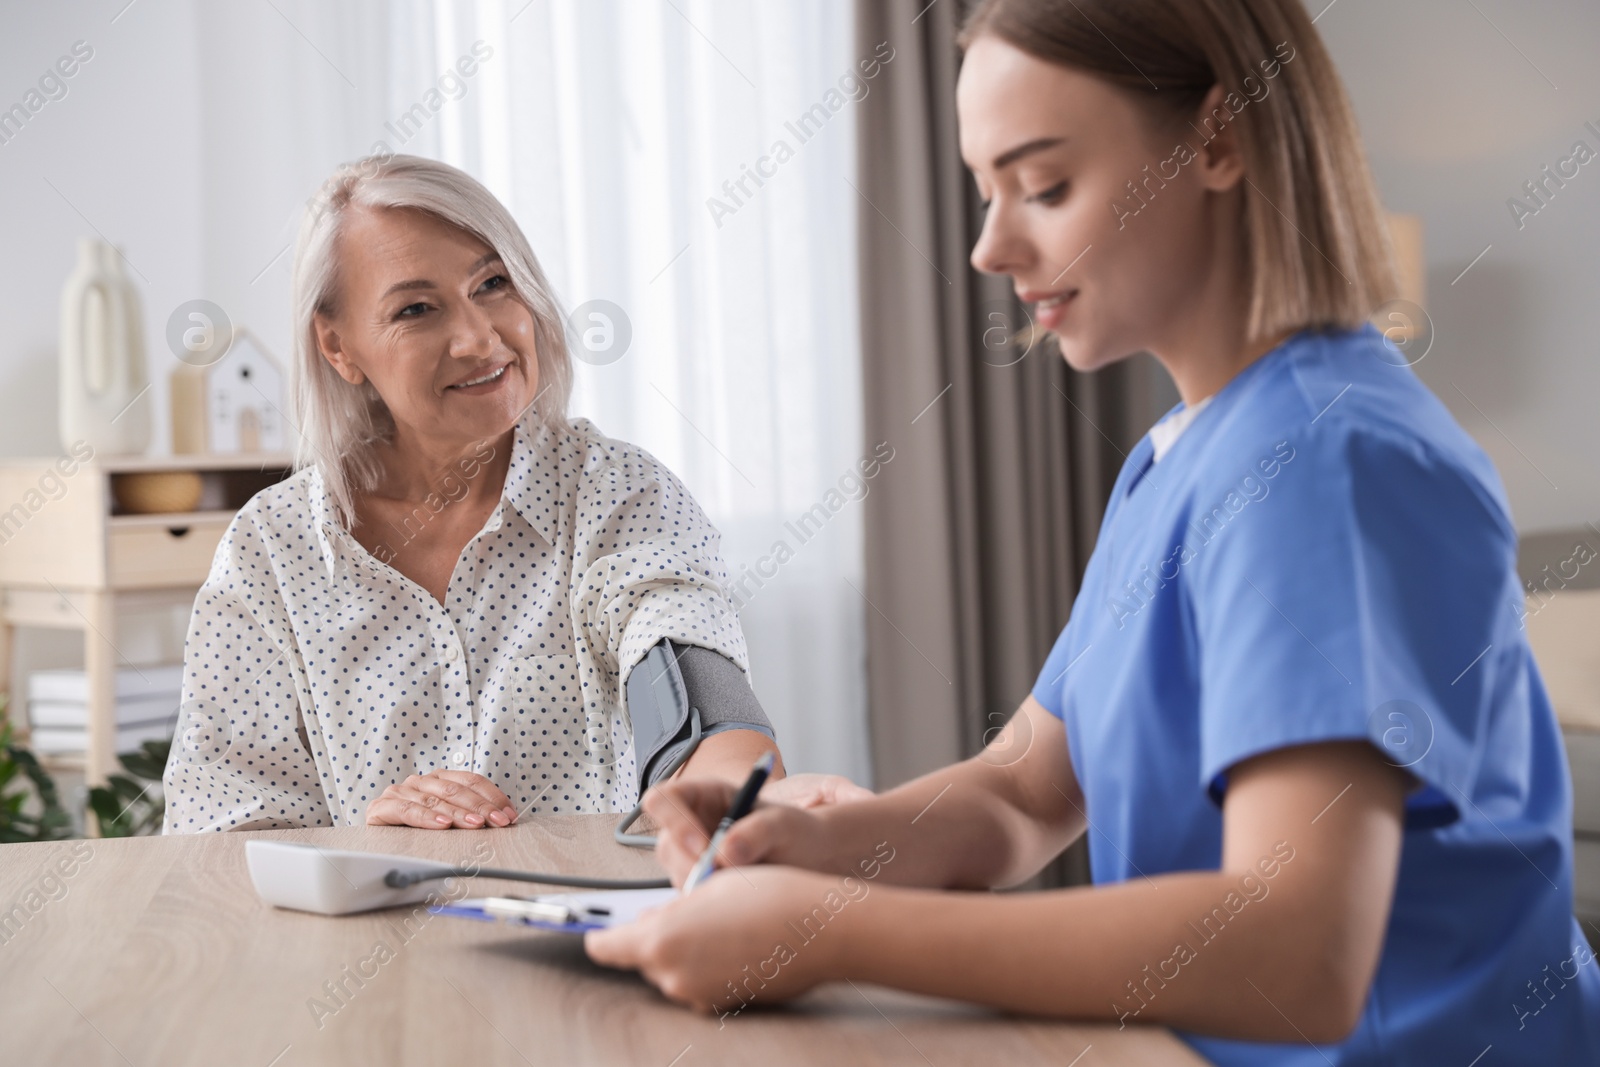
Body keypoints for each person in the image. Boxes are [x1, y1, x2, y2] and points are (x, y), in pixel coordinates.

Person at [584, 1, 1600, 1061]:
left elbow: (1299, 952)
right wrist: (818, 841)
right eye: (987, 192)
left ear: (1218, 139)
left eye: (1044, 185)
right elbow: (1023, 788)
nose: (987, 246)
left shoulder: (1324, 460)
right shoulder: (1172, 460)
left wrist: (828, 929)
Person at [162, 155, 865, 833]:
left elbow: (693, 692)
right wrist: (367, 838)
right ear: (339, 347)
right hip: (371, 953)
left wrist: (739, 799)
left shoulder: (618, 496)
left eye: (492, 284)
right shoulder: (269, 555)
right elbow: (219, 834)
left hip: (584, 938)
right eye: (415, 309)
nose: (477, 337)